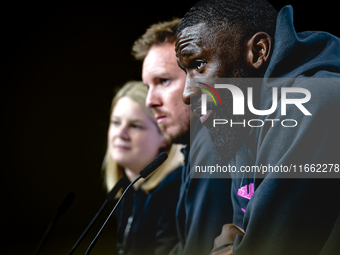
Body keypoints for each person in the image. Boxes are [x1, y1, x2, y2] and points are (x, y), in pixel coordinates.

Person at [175, 0, 340, 254]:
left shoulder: (316, 99)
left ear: (258, 51)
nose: (187, 94)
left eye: (198, 64)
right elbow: (242, 232)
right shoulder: (241, 124)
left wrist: (233, 247)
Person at [132, 19, 233, 255]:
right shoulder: (197, 146)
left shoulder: (212, 145)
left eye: (163, 81)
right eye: (147, 87)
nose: (150, 101)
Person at [103, 81, 184, 255]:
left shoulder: (172, 191)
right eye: (116, 123)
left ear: (164, 136)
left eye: (135, 126)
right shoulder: (128, 191)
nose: (121, 134)